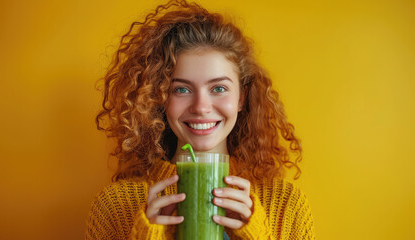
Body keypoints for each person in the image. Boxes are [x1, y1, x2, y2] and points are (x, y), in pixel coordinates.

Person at [85, 0, 316, 239]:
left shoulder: (286, 205)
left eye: (218, 88)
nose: (201, 107)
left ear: (242, 97)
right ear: (160, 97)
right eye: (181, 90)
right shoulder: (114, 208)